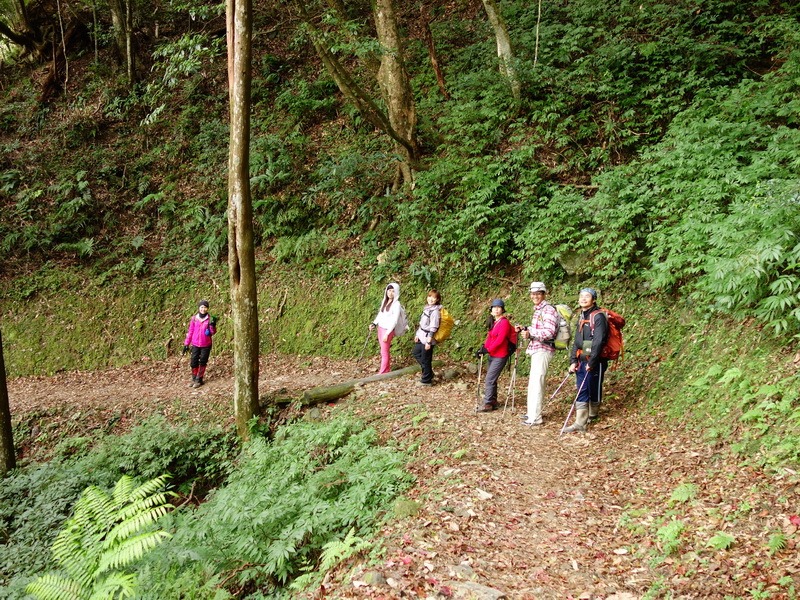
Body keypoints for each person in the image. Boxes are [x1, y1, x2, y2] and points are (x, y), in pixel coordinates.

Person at [564, 288, 608, 432]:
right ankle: (580, 422)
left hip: (595, 361)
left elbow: (599, 340)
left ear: (593, 299)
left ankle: (593, 415)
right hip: (581, 360)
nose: (583, 298)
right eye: (581, 296)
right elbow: (577, 341)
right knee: (582, 389)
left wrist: (592, 361)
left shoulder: (598, 317)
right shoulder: (582, 316)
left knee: (593, 388)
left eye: (587, 296)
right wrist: (573, 360)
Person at [519, 282, 559, 425]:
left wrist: (530, 333)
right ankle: (531, 413)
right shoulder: (538, 310)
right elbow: (539, 328)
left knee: (537, 383)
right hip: (537, 349)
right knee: (533, 382)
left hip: (544, 349)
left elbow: (549, 332)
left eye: (538, 293)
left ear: (544, 294)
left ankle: (535, 418)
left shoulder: (548, 310)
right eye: (533, 294)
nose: (535, 296)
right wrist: (525, 328)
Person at [475, 299, 514, 412]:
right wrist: (483, 349)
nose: (496, 309)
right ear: (491, 309)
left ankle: (487, 403)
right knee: (492, 379)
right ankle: (493, 401)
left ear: (502, 309)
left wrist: (488, 349)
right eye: (494, 307)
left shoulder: (504, 322)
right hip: (493, 354)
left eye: (499, 307)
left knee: (489, 379)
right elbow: (490, 337)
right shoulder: (494, 321)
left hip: (501, 355)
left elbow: (500, 340)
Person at [369, 283, 402, 374]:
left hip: (387, 330)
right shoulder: (385, 301)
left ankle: (382, 372)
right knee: (383, 350)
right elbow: (381, 314)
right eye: (389, 290)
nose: (390, 293)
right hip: (380, 328)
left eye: (393, 291)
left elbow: (394, 321)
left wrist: (387, 333)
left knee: (384, 351)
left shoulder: (396, 304)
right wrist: (374, 323)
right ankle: (386, 369)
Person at [183, 299, 217, 388]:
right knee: (193, 362)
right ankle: (194, 378)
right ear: (199, 308)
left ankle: (199, 379)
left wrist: (212, 326)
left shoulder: (210, 319)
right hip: (195, 344)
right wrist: (186, 344)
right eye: (202, 307)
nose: (203, 309)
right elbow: (190, 331)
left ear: (207, 308)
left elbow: (212, 332)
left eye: (205, 307)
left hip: (206, 344)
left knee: (202, 362)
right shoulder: (194, 319)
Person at [412, 289, 442, 386]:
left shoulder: (435, 312)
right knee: (416, 353)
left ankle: (426, 380)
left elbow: (433, 327)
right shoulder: (427, 308)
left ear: (437, 300)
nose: (431, 299)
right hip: (421, 335)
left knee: (426, 359)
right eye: (430, 296)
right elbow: (422, 324)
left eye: (434, 297)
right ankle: (429, 373)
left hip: (428, 338)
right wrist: (417, 334)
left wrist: (429, 342)